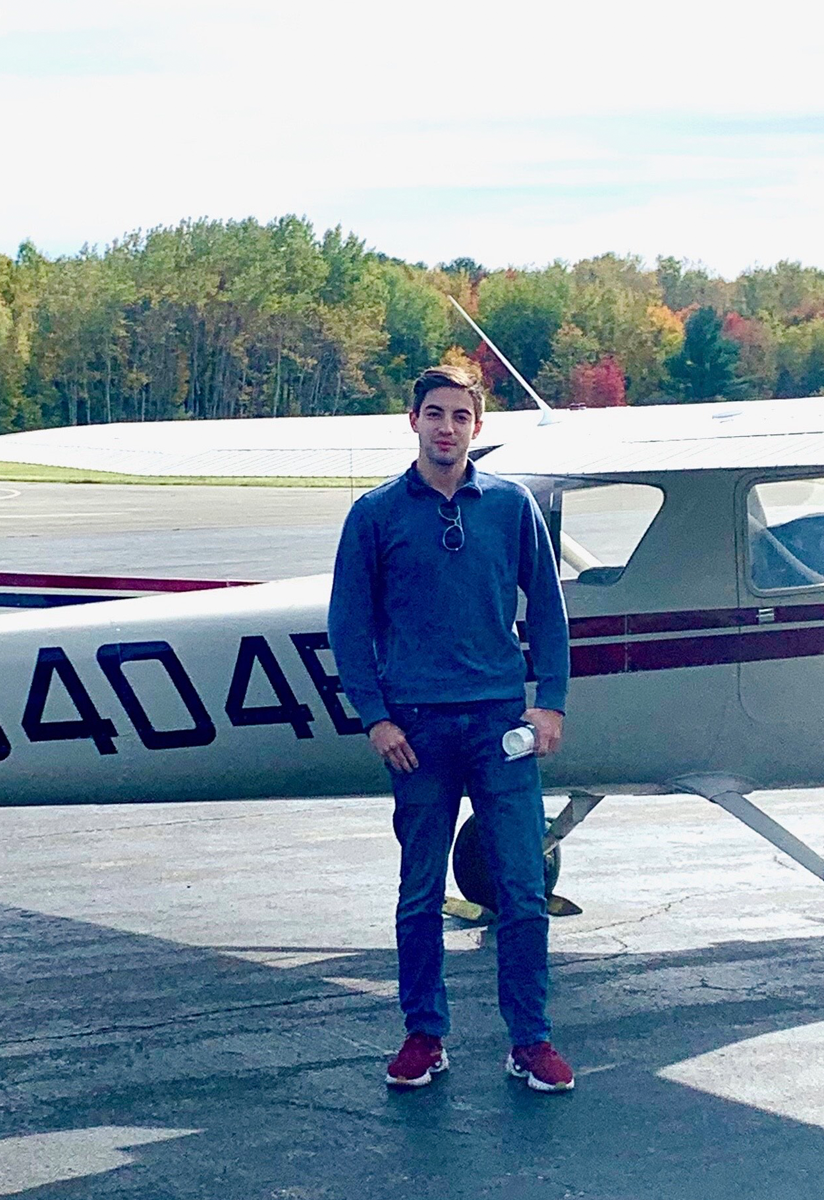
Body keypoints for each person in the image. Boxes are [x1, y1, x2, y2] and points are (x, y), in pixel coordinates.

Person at [327, 363, 573, 1093]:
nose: (446, 428)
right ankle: (423, 1034)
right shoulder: (374, 513)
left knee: (523, 890)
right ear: (413, 422)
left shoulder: (511, 505)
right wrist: (375, 717)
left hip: (501, 725)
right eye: (434, 414)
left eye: (460, 416)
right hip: (416, 732)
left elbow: (549, 610)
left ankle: (530, 1040)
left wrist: (550, 700)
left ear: (477, 426)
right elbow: (349, 624)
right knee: (419, 891)